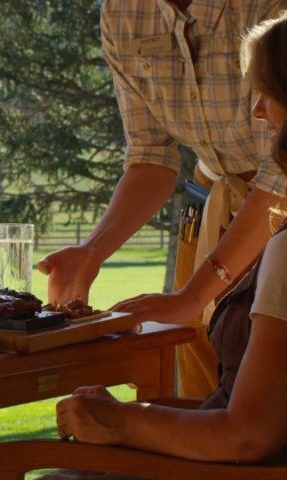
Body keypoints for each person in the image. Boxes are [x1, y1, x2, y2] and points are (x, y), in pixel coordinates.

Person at [54, 11, 287, 469]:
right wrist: (92, 251)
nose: (256, 110)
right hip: (213, 206)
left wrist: (117, 422)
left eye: (266, 93)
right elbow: (149, 155)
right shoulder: (123, 13)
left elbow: (246, 436)